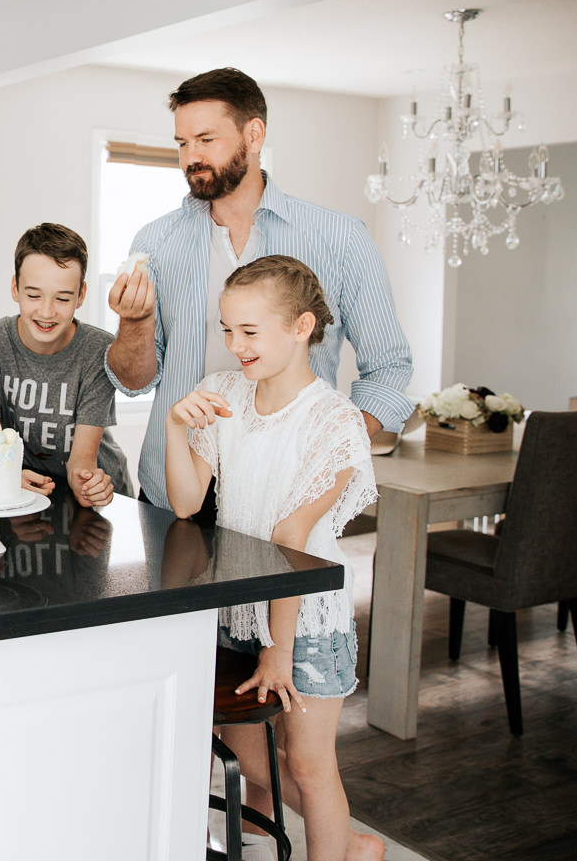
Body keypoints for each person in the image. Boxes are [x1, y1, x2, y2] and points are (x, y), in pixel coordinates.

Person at [105, 67, 413, 514]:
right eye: (182, 143)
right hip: (174, 492)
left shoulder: (340, 238)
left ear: (254, 134)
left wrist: (333, 443)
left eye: (206, 139)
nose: (191, 156)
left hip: (283, 491)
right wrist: (133, 322)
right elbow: (134, 383)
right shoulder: (154, 244)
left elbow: (388, 366)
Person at [165, 255, 383, 861]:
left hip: (304, 621)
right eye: (227, 329)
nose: (234, 345)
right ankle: (341, 845)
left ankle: (343, 851)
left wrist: (278, 647)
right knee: (253, 764)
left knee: (309, 768)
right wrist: (176, 428)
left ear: (302, 327)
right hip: (239, 610)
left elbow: (292, 539)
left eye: (250, 332)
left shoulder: (334, 422)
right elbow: (186, 504)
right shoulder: (224, 393)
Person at [0, 223, 132, 507]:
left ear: (81, 296)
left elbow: (82, 461)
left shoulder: (99, 350)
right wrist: (5, 476)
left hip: (95, 497)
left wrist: (90, 485)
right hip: (20, 493)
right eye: (33, 295)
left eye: (63, 298)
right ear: (15, 288)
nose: (46, 311)